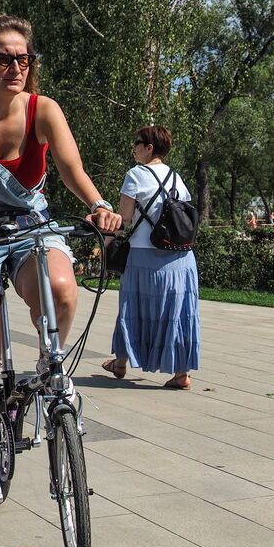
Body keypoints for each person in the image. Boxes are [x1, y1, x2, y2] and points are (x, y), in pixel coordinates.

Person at [0, 9, 122, 510]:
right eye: (4, 59)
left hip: (28, 226)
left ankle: (49, 361)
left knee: (61, 288)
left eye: (24, 59)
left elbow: (72, 168)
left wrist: (98, 205)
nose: (16, 67)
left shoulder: (43, 109)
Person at [100, 125, 200, 391]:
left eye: (137, 142)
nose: (134, 147)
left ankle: (120, 362)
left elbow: (124, 219)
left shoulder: (135, 175)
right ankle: (182, 374)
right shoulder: (177, 178)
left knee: (132, 308)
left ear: (149, 148)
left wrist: (105, 244)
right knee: (178, 314)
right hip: (181, 258)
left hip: (144, 255)